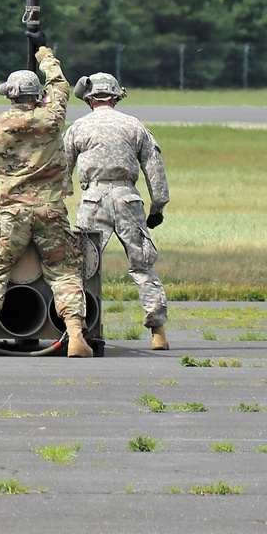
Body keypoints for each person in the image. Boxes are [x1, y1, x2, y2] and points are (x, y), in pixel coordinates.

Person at [0, 47, 91, 358]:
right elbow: (60, 85)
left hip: (12, 213)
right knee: (64, 272)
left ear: (11, 96)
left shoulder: (0, 124)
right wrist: (45, 56)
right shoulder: (53, 116)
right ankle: (75, 336)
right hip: (51, 211)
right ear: (36, 95)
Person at [64, 72, 171, 351]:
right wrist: (157, 207)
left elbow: (62, 169)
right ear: (115, 97)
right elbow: (154, 170)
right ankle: (158, 332)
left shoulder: (78, 127)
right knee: (143, 266)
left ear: (89, 99)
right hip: (128, 200)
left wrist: (59, 201)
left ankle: (79, 332)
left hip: (92, 200)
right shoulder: (134, 126)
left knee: (82, 268)